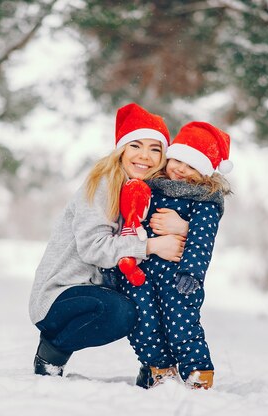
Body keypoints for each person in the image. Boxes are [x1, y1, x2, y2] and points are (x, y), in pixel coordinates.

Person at [29, 103, 187, 377]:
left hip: (99, 289)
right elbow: (93, 248)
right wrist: (151, 246)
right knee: (120, 313)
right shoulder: (104, 183)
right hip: (60, 296)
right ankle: (52, 351)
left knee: (155, 299)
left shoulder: (147, 191)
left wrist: (183, 226)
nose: (144, 156)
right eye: (136, 146)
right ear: (122, 149)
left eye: (155, 149)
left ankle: (156, 367)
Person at [117, 121, 233, 390]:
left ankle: (198, 372)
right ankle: (161, 369)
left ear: (204, 172)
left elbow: (202, 241)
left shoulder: (204, 200)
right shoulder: (151, 187)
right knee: (143, 323)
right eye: (177, 160)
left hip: (179, 277)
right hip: (142, 275)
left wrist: (192, 272)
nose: (180, 169)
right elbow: (134, 221)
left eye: (191, 165)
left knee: (181, 326)